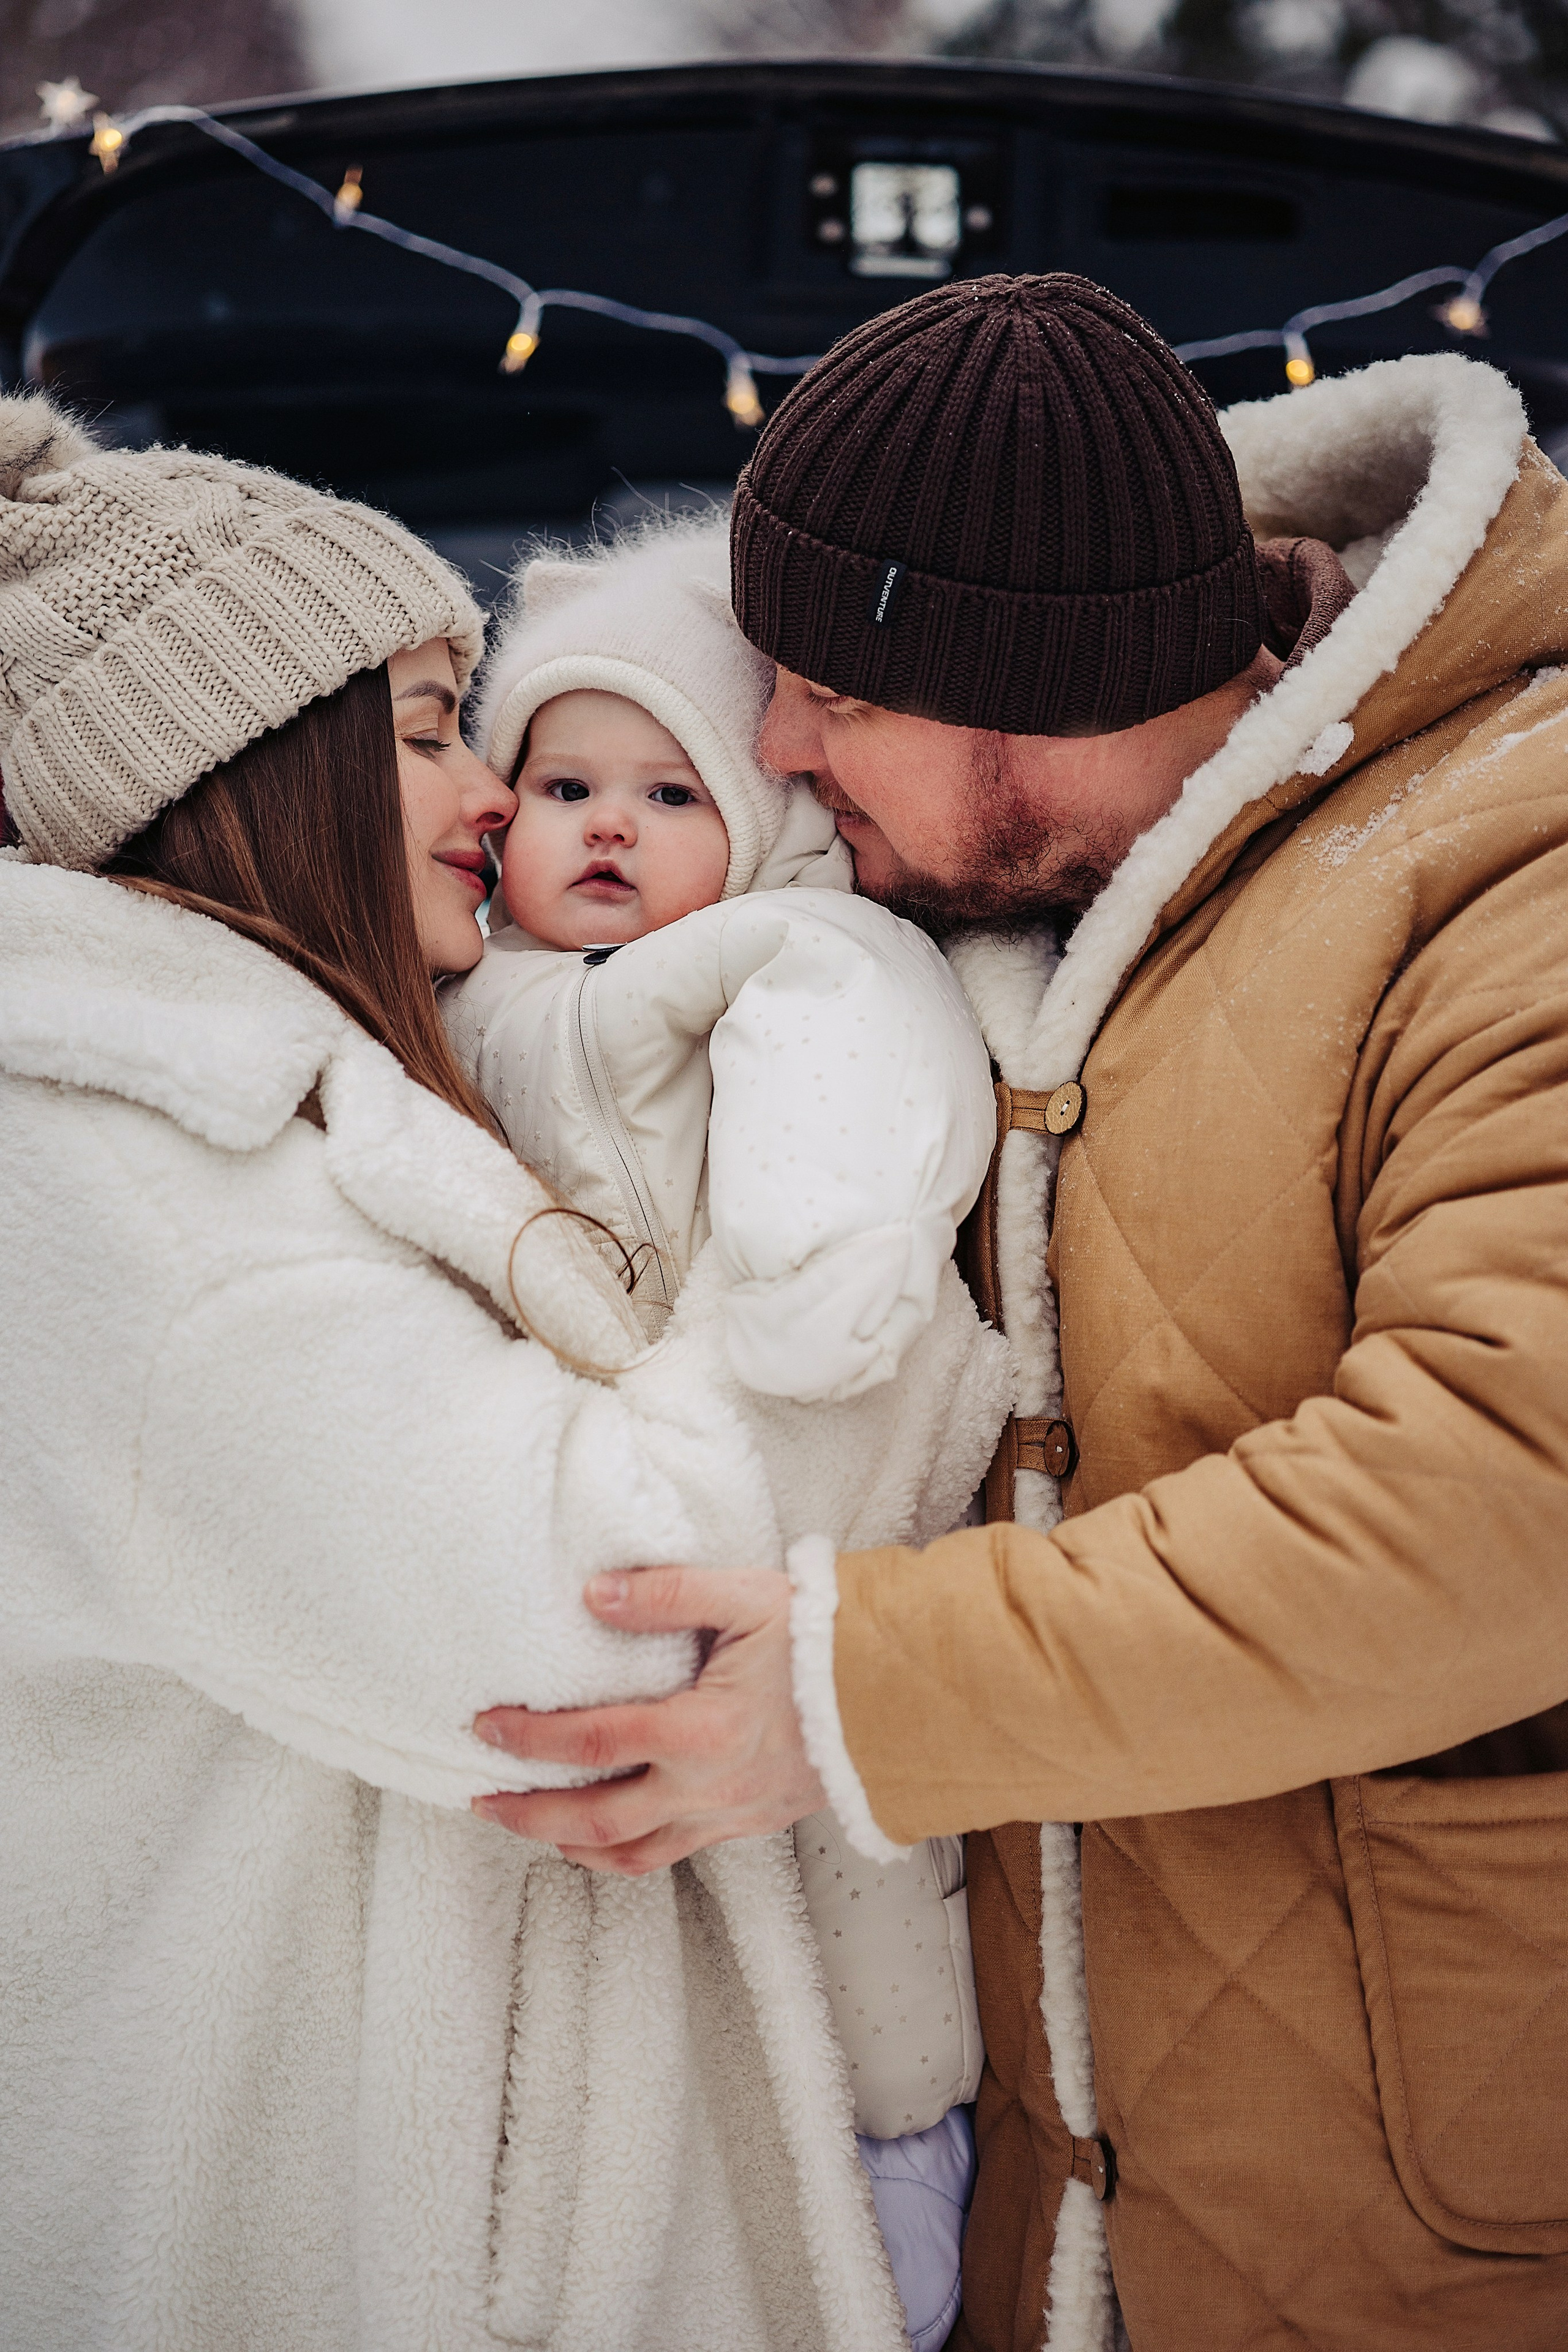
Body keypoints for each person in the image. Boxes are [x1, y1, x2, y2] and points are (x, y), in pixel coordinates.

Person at [473, 276, 1568, 2351]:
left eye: (820, 691)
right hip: (1050, 2227)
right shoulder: (984, 889)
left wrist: (862, 1695)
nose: (776, 749)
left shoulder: (1516, 865)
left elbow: (1517, 1486)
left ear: (1014, 681)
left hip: (1425, 2234)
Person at [0, 388, 981, 2352]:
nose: (494, 803)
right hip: (327, 2242)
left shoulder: (281, 1093)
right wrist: (874, 1300)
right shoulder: (129, 1175)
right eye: (439, 732)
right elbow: (599, 1628)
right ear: (238, 759)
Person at [443, 516, 1006, 2352]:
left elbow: (857, 1060)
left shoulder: (780, 948)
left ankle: (903, 2144)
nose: (607, 824)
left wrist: (809, 1272)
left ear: (756, 826)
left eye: (671, 789)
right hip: (582, 1484)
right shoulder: (451, 999)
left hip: (793, 1443)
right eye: (565, 780)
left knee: (858, 1876)